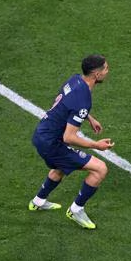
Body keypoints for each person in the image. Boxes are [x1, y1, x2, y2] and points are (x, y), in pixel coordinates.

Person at [29, 55, 115, 230]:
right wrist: (96, 145)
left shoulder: (75, 79)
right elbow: (69, 137)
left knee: (61, 166)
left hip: (42, 133)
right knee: (100, 169)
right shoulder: (83, 100)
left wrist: (89, 118)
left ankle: (38, 201)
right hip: (52, 143)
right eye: (105, 68)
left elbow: (67, 103)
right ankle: (76, 210)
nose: (108, 71)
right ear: (96, 74)